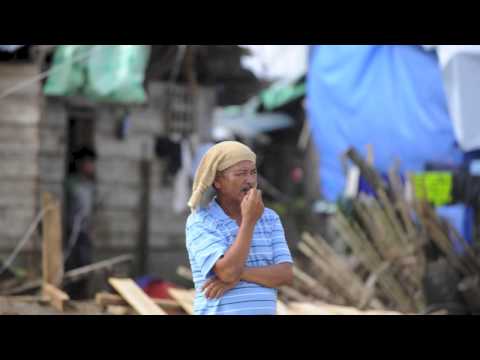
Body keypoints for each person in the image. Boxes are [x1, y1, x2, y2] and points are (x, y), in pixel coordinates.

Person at [185, 141, 293, 315]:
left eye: (253, 172)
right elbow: (227, 272)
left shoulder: (270, 218)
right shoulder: (200, 222)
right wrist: (249, 221)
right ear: (217, 181)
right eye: (241, 173)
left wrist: (239, 275)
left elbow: (285, 275)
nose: (250, 180)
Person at [64, 147, 97, 299]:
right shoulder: (71, 183)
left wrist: (91, 228)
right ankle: (70, 294)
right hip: (72, 230)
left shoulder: (90, 186)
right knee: (71, 263)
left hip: (85, 231)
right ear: (81, 164)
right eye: (89, 163)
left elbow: (90, 210)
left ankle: (82, 295)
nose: (91, 167)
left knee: (85, 262)